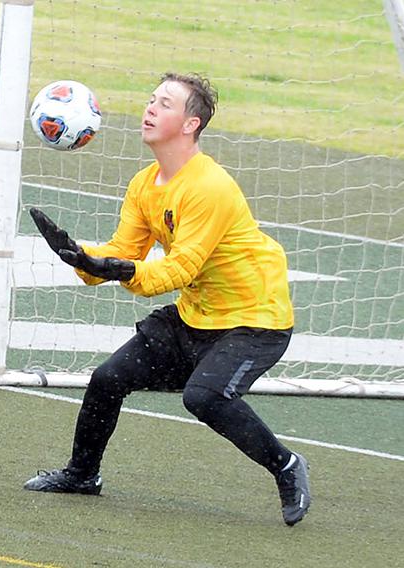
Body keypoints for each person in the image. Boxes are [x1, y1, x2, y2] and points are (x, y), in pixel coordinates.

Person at [25, 72, 311, 526]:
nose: (151, 108)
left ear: (190, 124)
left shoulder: (209, 187)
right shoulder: (144, 184)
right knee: (107, 378)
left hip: (255, 321)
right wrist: (79, 256)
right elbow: (123, 254)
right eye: (151, 99)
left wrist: (113, 268)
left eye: (165, 103)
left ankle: (287, 466)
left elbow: (179, 270)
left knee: (205, 396)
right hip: (196, 316)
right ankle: (82, 476)